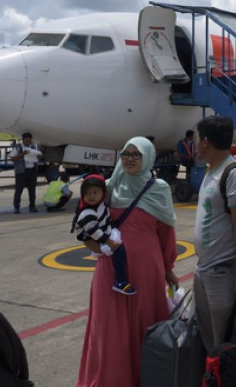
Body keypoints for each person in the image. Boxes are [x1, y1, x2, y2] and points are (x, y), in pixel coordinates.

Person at [76, 137, 178, 387]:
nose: (130, 159)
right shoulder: (108, 188)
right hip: (111, 269)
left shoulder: (159, 188)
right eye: (125, 154)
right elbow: (84, 221)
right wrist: (96, 245)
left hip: (147, 270)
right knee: (109, 327)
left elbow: (166, 233)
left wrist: (168, 268)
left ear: (148, 157)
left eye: (136, 154)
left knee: (146, 325)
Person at [193, 115, 236, 351]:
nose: (195, 144)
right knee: (208, 338)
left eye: (198, 139)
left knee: (228, 340)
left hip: (224, 271)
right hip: (204, 268)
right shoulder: (212, 171)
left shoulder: (234, 175)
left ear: (206, 141)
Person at [72, 175, 136, 296]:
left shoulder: (101, 205)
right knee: (119, 251)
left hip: (104, 232)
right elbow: (95, 233)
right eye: (87, 193)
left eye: (95, 192)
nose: (91, 196)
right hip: (98, 239)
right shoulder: (87, 213)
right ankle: (120, 281)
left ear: (103, 193)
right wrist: (109, 242)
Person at [9, 133, 43, 213]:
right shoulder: (18, 148)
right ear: (23, 140)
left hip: (32, 171)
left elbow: (40, 155)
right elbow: (13, 158)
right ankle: (16, 207)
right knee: (18, 190)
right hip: (21, 172)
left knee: (32, 190)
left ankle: (32, 206)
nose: (28, 142)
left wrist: (40, 156)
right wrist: (22, 154)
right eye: (27, 140)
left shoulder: (33, 147)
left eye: (29, 140)